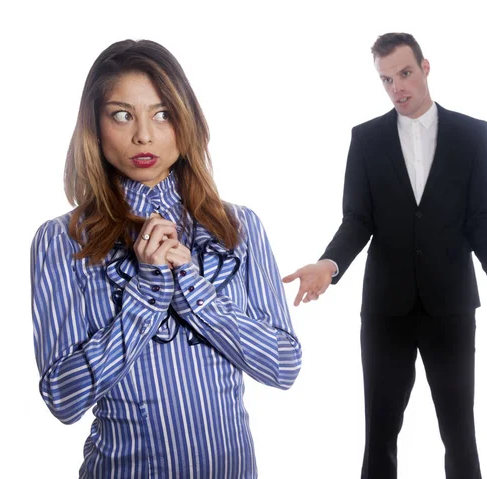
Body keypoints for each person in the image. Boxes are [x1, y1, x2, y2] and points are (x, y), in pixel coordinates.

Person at [30, 39, 301, 479]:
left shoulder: (239, 226)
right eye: (122, 114)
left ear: (186, 120)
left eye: (162, 114)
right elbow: (63, 397)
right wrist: (148, 296)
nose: (144, 135)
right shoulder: (62, 239)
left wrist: (194, 291)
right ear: (95, 127)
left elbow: (283, 366)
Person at [283, 32, 487, 479]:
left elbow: (482, 221)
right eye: (386, 80)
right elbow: (357, 220)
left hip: (451, 307)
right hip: (387, 309)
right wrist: (329, 265)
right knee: (380, 433)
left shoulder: (472, 135)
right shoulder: (366, 139)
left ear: (425, 68)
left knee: (459, 433)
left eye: (404, 74)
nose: (396, 88)